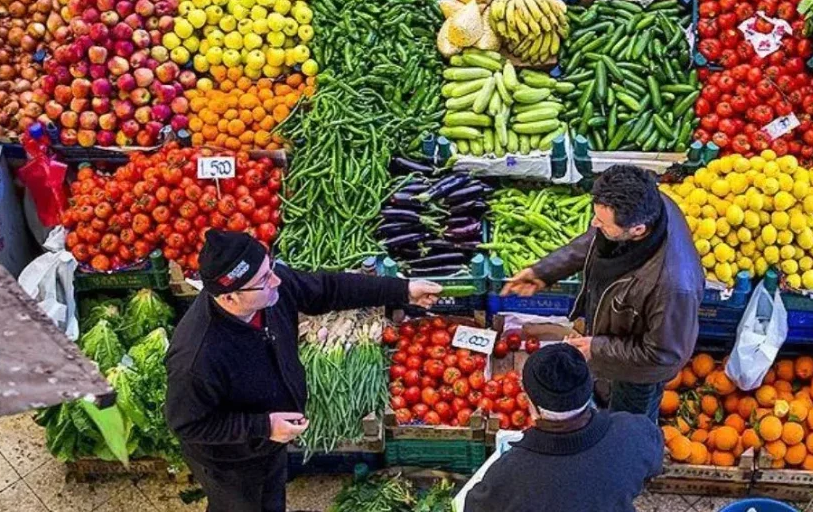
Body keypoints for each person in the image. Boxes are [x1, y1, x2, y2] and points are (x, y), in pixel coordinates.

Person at [166, 230, 442, 512]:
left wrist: (403, 290)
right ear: (229, 299)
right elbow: (186, 424)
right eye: (263, 280)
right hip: (231, 460)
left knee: (272, 497)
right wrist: (264, 426)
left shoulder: (270, 292)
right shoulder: (196, 357)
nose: (276, 280)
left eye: (270, 267)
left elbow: (327, 289)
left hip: (269, 440)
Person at [503, 164, 703, 422]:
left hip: (638, 374)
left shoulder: (673, 287)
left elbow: (664, 356)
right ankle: (605, 392)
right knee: (607, 390)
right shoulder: (647, 204)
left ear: (638, 230)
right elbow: (596, 240)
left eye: (602, 221)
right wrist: (545, 271)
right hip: (616, 334)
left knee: (627, 423)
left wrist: (597, 348)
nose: (593, 223)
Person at [463, 343, 664, 512]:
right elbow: (652, 468)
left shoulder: (507, 476)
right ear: (588, 389)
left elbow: (473, 506)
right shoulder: (636, 433)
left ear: (530, 403)